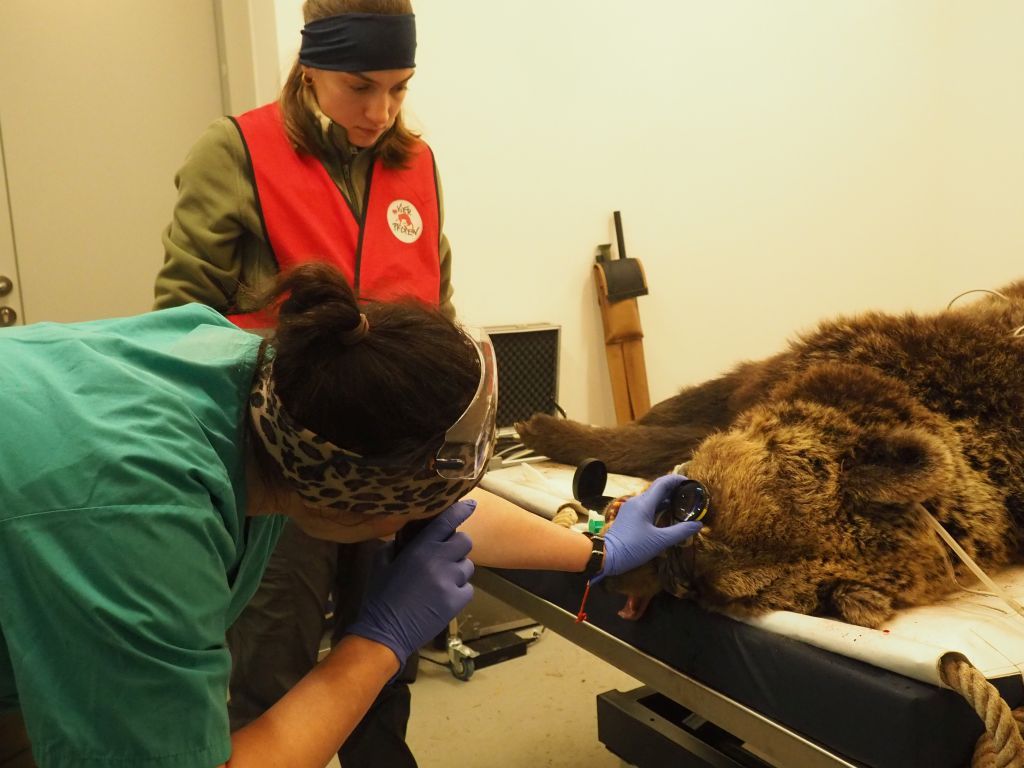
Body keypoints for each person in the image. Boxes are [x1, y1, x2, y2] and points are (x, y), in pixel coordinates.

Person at [0, 263, 702, 767]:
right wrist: (378, 642)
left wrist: (600, 548)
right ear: (359, 503)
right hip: (73, 500)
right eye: (411, 515)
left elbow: (435, 505)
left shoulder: (277, 383)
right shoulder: (139, 521)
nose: (429, 521)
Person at [152, 1, 457, 764]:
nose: (380, 111)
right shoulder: (238, 151)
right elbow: (179, 323)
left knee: (384, 658)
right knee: (269, 665)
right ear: (312, 64)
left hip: (393, 463)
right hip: (281, 468)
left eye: (399, 87)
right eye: (361, 86)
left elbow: (437, 304)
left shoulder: (415, 164)